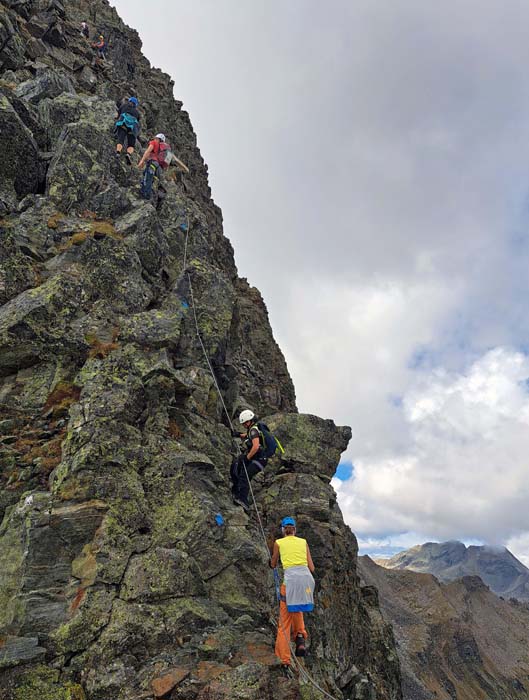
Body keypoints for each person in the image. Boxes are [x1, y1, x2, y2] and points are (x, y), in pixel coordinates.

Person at [270, 517, 315, 668]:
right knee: (297, 607)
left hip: (290, 582)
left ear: (283, 530)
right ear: (295, 530)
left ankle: (284, 660)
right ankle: (300, 637)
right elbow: (312, 568)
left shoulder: (279, 543)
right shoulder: (303, 542)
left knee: (284, 621)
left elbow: (273, 563)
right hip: (307, 582)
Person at [230, 409, 267, 512]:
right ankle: (237, 492)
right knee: (239, 466)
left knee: (244, 475)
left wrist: (247, 458)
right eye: (244, 424)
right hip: (259, 459)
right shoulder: (254, 429)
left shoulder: (253, 430)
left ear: (250, 420)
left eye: (246, 423)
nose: (245, 425)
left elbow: (255, 447)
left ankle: (243, 500)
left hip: (259, 460)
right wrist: (238, 434)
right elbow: (247, 436)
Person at [137, 133, 171, 200]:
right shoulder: (166, 149)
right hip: (159, 169)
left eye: (156, 138)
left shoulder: (154, 143)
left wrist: (142, 161)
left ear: (158, 139)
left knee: (147, 180)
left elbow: (148, 152)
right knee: (149, 180)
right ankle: (153, 197)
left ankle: (145, 197)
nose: (154, 139)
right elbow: (167, 163)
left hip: (152, 164)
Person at [115, 97, 140, 164]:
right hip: (132, 128)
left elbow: (118, 114)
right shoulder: (137, 112)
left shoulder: (124, 105)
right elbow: (137, 120)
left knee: (121, 139)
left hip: (123, 123)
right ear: (136, 105)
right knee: (131, 144)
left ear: (129, 101)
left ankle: (118, 152)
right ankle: (128, 154)